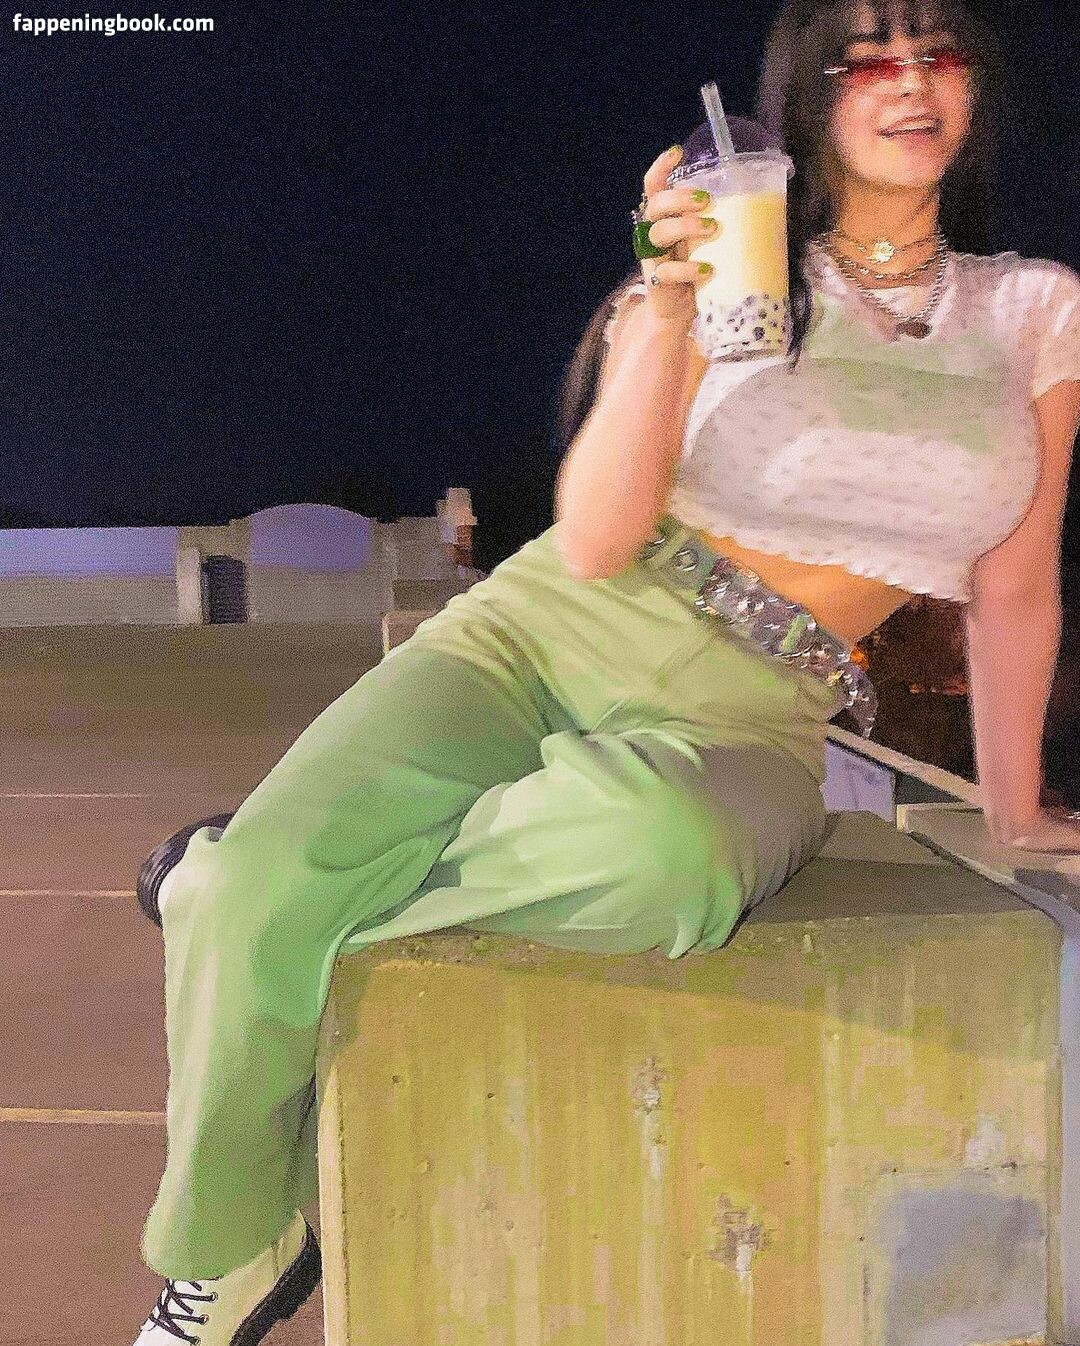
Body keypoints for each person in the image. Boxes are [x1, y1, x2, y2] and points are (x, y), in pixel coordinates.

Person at [131, 1, 1080, 1341]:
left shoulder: (1035, 311)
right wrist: (668, 300)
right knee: (274, 882)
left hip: (756, 706)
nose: (910, 79)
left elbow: (1017, 583)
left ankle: (242, 889)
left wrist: (1017, 806)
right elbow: (592, 537)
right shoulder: (733, 265)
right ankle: (231, 1245)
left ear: (979, 92)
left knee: (665, 860)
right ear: (808, 98)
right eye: (869, 55)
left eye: (940, 51)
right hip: (544, 632)